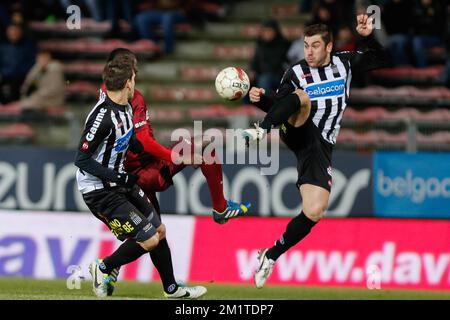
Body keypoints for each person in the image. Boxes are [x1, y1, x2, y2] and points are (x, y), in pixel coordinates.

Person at [242, 15, 389, 288]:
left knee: (314, 210)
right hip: (297, 131)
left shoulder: (345, 64)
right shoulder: (296, 72)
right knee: (301, 97)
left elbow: (381, 60)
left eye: (315, 46)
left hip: (320, 145)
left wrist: (368, 36)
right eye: (306, 45)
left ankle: (270, 255)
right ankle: (261, 130)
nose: (309, 52)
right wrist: (262, 100)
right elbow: (280, 104)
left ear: (329, 46)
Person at [97, 48, 250, 298]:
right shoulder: (133, 97)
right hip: (146, 171)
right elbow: (144, 141)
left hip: (130, 176)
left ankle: (166, 286)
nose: (136, 74)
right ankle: (220, 208)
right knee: (207, 147)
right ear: (127, 75)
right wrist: (176, 156)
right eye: (134, 69)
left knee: (155, 231)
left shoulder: (104, 95)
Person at [74, 53, 207, 299]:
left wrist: (135, 147)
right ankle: (103, 267)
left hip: (120, 182)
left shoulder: (125, 106)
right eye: (134, 77)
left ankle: (172, 289)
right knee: (148, 239)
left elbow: (130, 136)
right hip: (100, 191)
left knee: (159, 230)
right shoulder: (102, 117)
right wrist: (119, 176)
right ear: (128, 82)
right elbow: (81, 160)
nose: (135, 81)